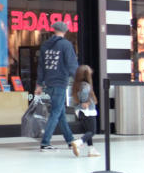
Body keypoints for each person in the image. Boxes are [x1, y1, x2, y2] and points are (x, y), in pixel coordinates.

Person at [34, 21, 79, 154]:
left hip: (48, 83)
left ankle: (70, 140)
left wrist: (39, 84)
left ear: (53, 30)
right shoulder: (66, 45)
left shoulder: (45, 45)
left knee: (60, 113)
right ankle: (45, 143)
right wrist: (80, 79)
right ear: (65, 31)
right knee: (56, 113)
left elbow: (41, 66)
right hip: (60, 83)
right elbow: (72, 65)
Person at [69, 65, 100, 157]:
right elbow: (85, 95)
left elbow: (74, 100)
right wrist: (86, 102)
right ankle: (79, 142)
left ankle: (91, 150)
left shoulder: (76, 85)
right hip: (88, 111)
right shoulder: (86, 86)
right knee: (92, 131)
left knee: (88, 131)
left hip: (80, 112)